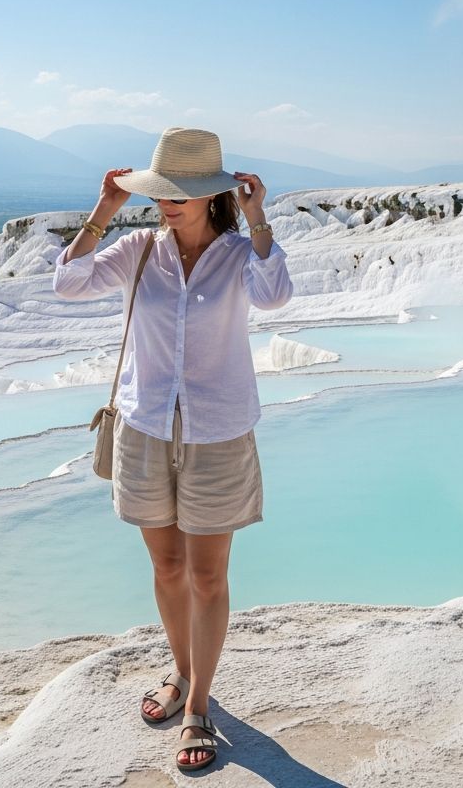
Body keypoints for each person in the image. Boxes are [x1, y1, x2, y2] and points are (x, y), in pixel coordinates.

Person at [52, 126, 293, 772]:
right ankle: (182, 672)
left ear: (212, 195)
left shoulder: (238, 256)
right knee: (166, 568)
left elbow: (276, 294)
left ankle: (200, 707)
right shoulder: (137, 250)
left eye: (180, 194)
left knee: (208, 576)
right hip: (145, 431)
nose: (167, 204)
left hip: (218, 435)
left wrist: (257, 218)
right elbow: (68, 283)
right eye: (160, 193)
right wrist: (104, 210)